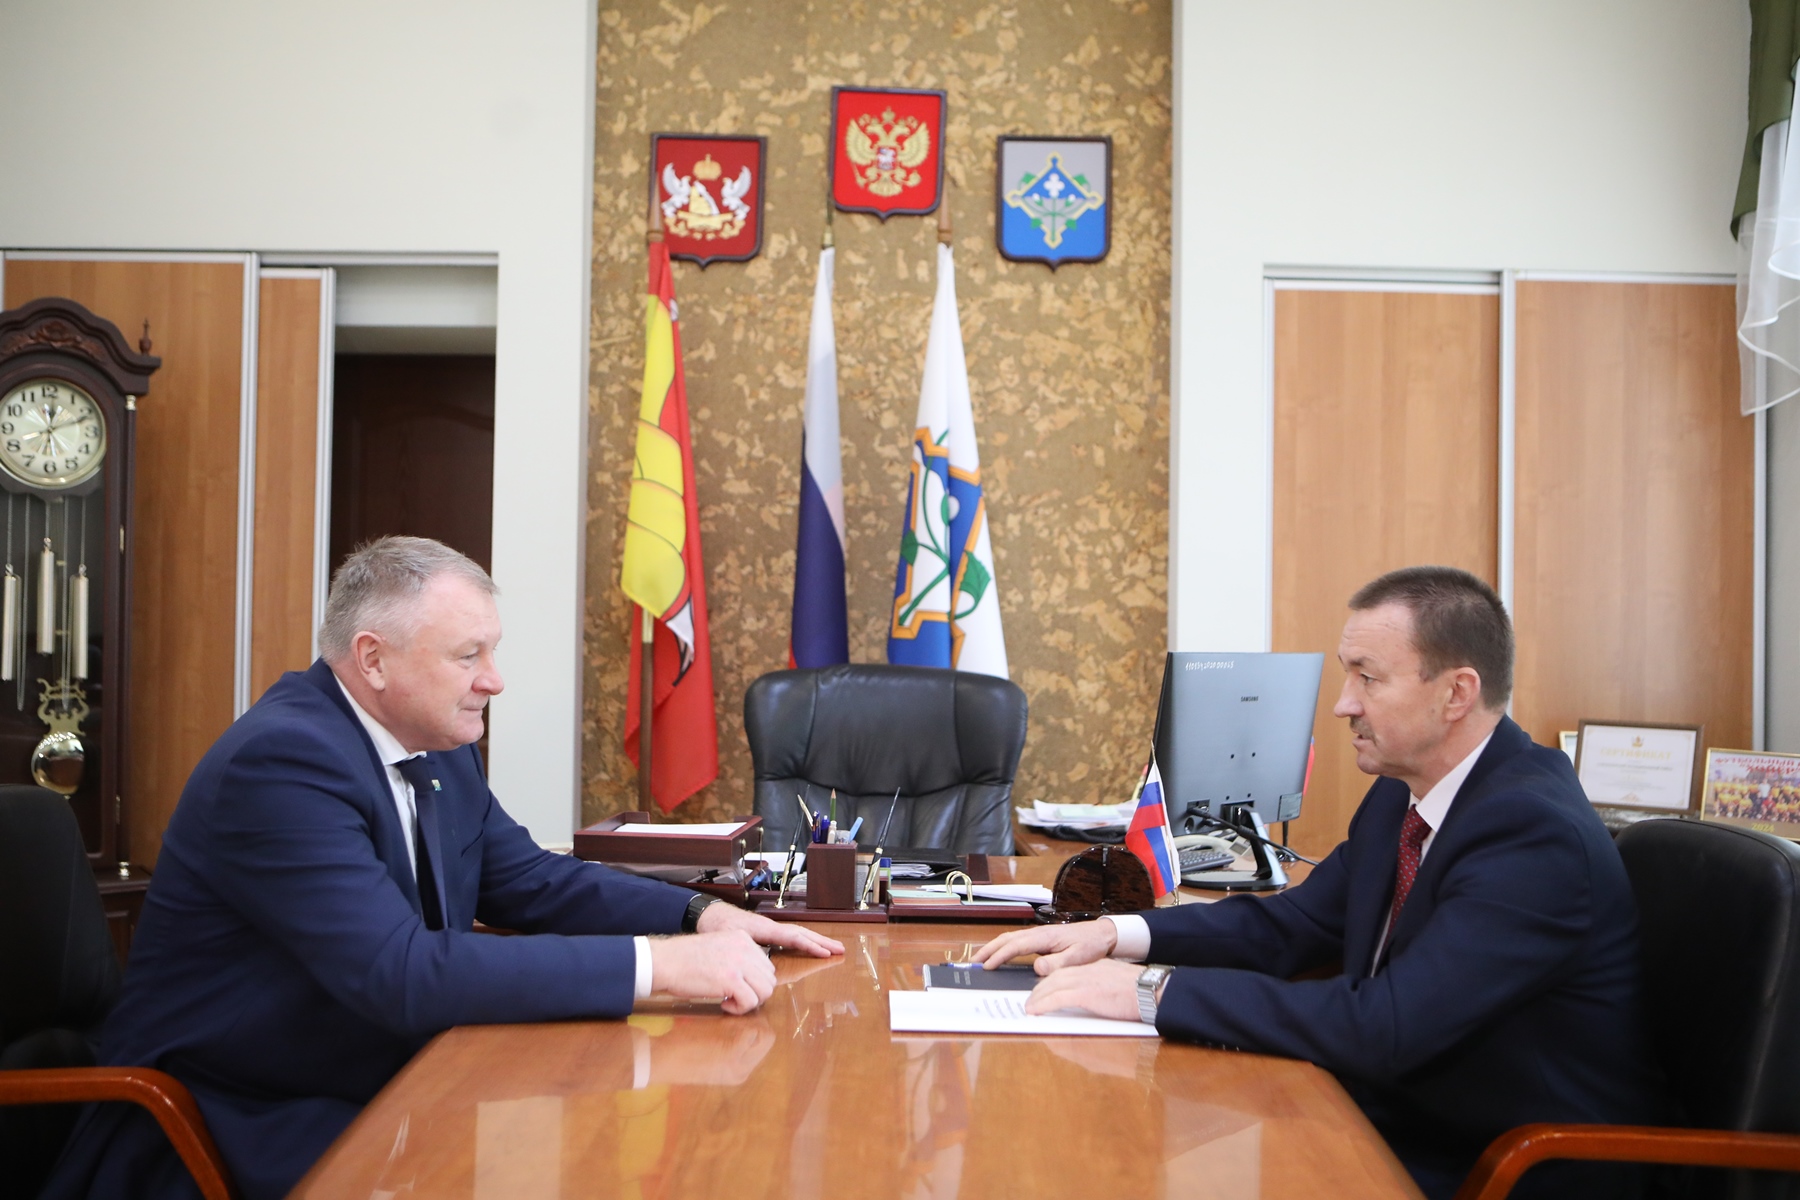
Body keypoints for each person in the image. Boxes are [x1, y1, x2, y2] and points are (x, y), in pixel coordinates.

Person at [44, 537, 843, 1200]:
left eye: (491, 651)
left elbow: (529, 879)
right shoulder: (283, 762)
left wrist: (701, 914)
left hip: (381, 1080)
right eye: (469, 655)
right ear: (373, 659)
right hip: (233, 1120)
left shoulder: (433, 746)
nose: (494, 679)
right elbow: (399, 973)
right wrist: (664, 967)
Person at [973, 566, 1671, 1199]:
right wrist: (1117, 934)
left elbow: (1386, 1026)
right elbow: (1295, 925)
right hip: (1397, 1117)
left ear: (1457, 693)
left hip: (1500, 1166)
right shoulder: (1404, 795)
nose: (1342, 705)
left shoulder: (1532, 834)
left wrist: (1149, 992)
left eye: (1368, 678)